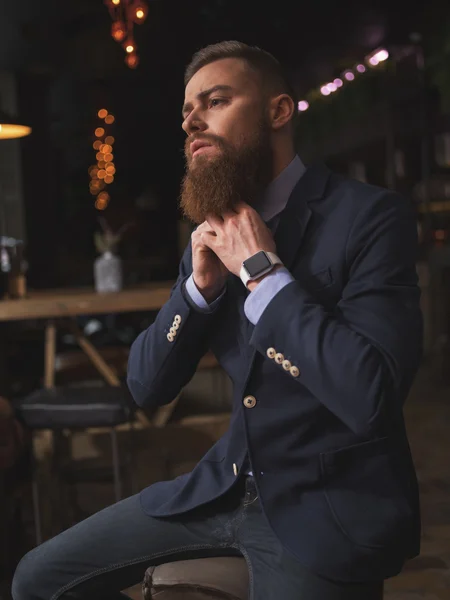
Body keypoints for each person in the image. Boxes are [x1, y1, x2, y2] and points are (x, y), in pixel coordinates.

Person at [12, 40, 423, 600]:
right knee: (37, 578)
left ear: (279, 111)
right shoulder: (212, 229)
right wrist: (198, 291)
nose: (192, 123)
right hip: (221, 488)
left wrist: (264, 275)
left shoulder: (370, 217)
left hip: (323, 507)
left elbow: (371, 395)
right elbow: (145, 385)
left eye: (216, 101)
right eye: (187, 112)